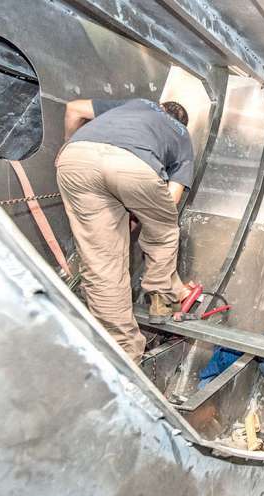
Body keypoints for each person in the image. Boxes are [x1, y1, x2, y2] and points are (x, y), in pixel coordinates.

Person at [56, 98, 193, 362]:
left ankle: (122, 350)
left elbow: (75, 109)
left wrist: (68, 144)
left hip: (76, 158)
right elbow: (170, 202)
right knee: (163, 233)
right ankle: (160, 299)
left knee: (102, 263)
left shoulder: (137, 104)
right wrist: (139, 212)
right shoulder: (182, 135)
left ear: (160, 106)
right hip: (134, 167)